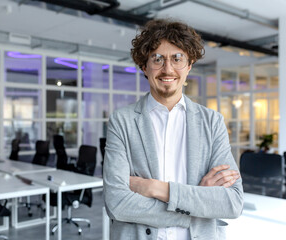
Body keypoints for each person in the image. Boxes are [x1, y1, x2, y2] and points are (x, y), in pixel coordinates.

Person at [103, 19, 243, 240]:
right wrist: (198, 204)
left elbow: (232, 202)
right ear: (144, 66)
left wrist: (156, 188)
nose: (167, 69)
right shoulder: (123, 121)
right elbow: (117, 203)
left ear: (189, 65)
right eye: (157, 59)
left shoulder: (212, 122)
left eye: (177, 58)